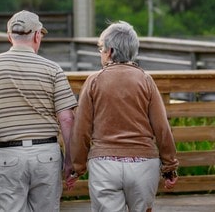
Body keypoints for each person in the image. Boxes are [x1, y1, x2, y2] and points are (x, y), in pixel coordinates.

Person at [66, 21, 179, 212]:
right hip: (143, 165)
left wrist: (77, 167)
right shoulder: (145, 80)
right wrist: (169, 166)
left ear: (109, 51)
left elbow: (81, 130)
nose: (101, 53)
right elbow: (161, 128)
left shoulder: (94, 81)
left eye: (101, 49)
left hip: (104, 165)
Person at [0, 10, 77, 212]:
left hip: (9, 154)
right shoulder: (53, 69)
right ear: (37, 36)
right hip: (46, 155)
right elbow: (66, 119)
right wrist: (70, 160)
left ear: (9, 36)